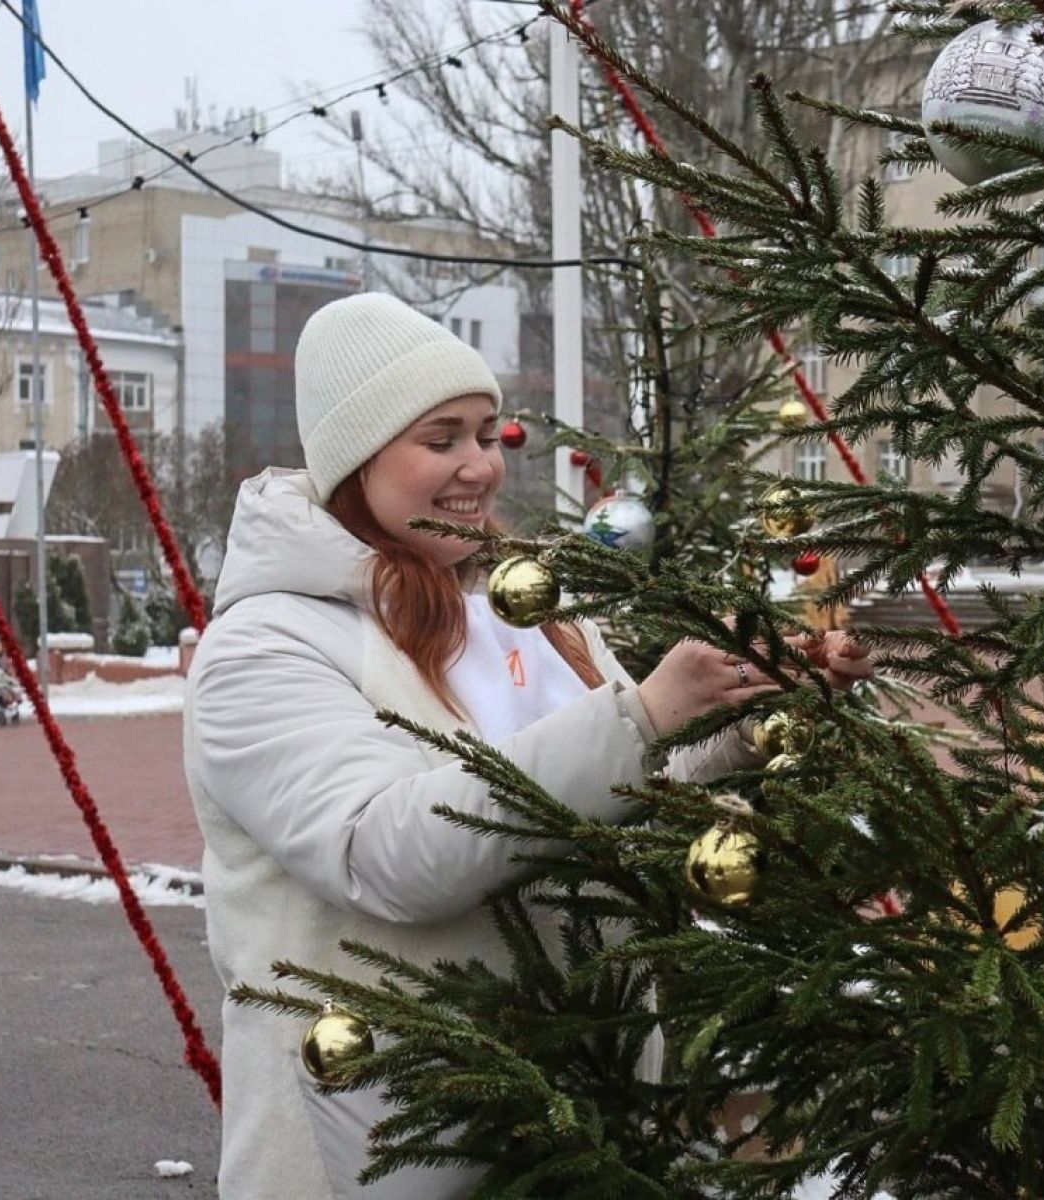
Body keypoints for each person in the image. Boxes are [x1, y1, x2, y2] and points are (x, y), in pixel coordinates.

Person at [184, 293, 872, 1198]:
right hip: (390, 1131)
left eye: (486, 433)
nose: (481, 467)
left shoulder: (522, 607)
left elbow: (619, 790)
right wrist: (644, 714)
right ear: (358, 457)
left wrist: (737, 718)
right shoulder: (267, 645)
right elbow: (390, 854)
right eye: (442, 439)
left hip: (587, 1102)